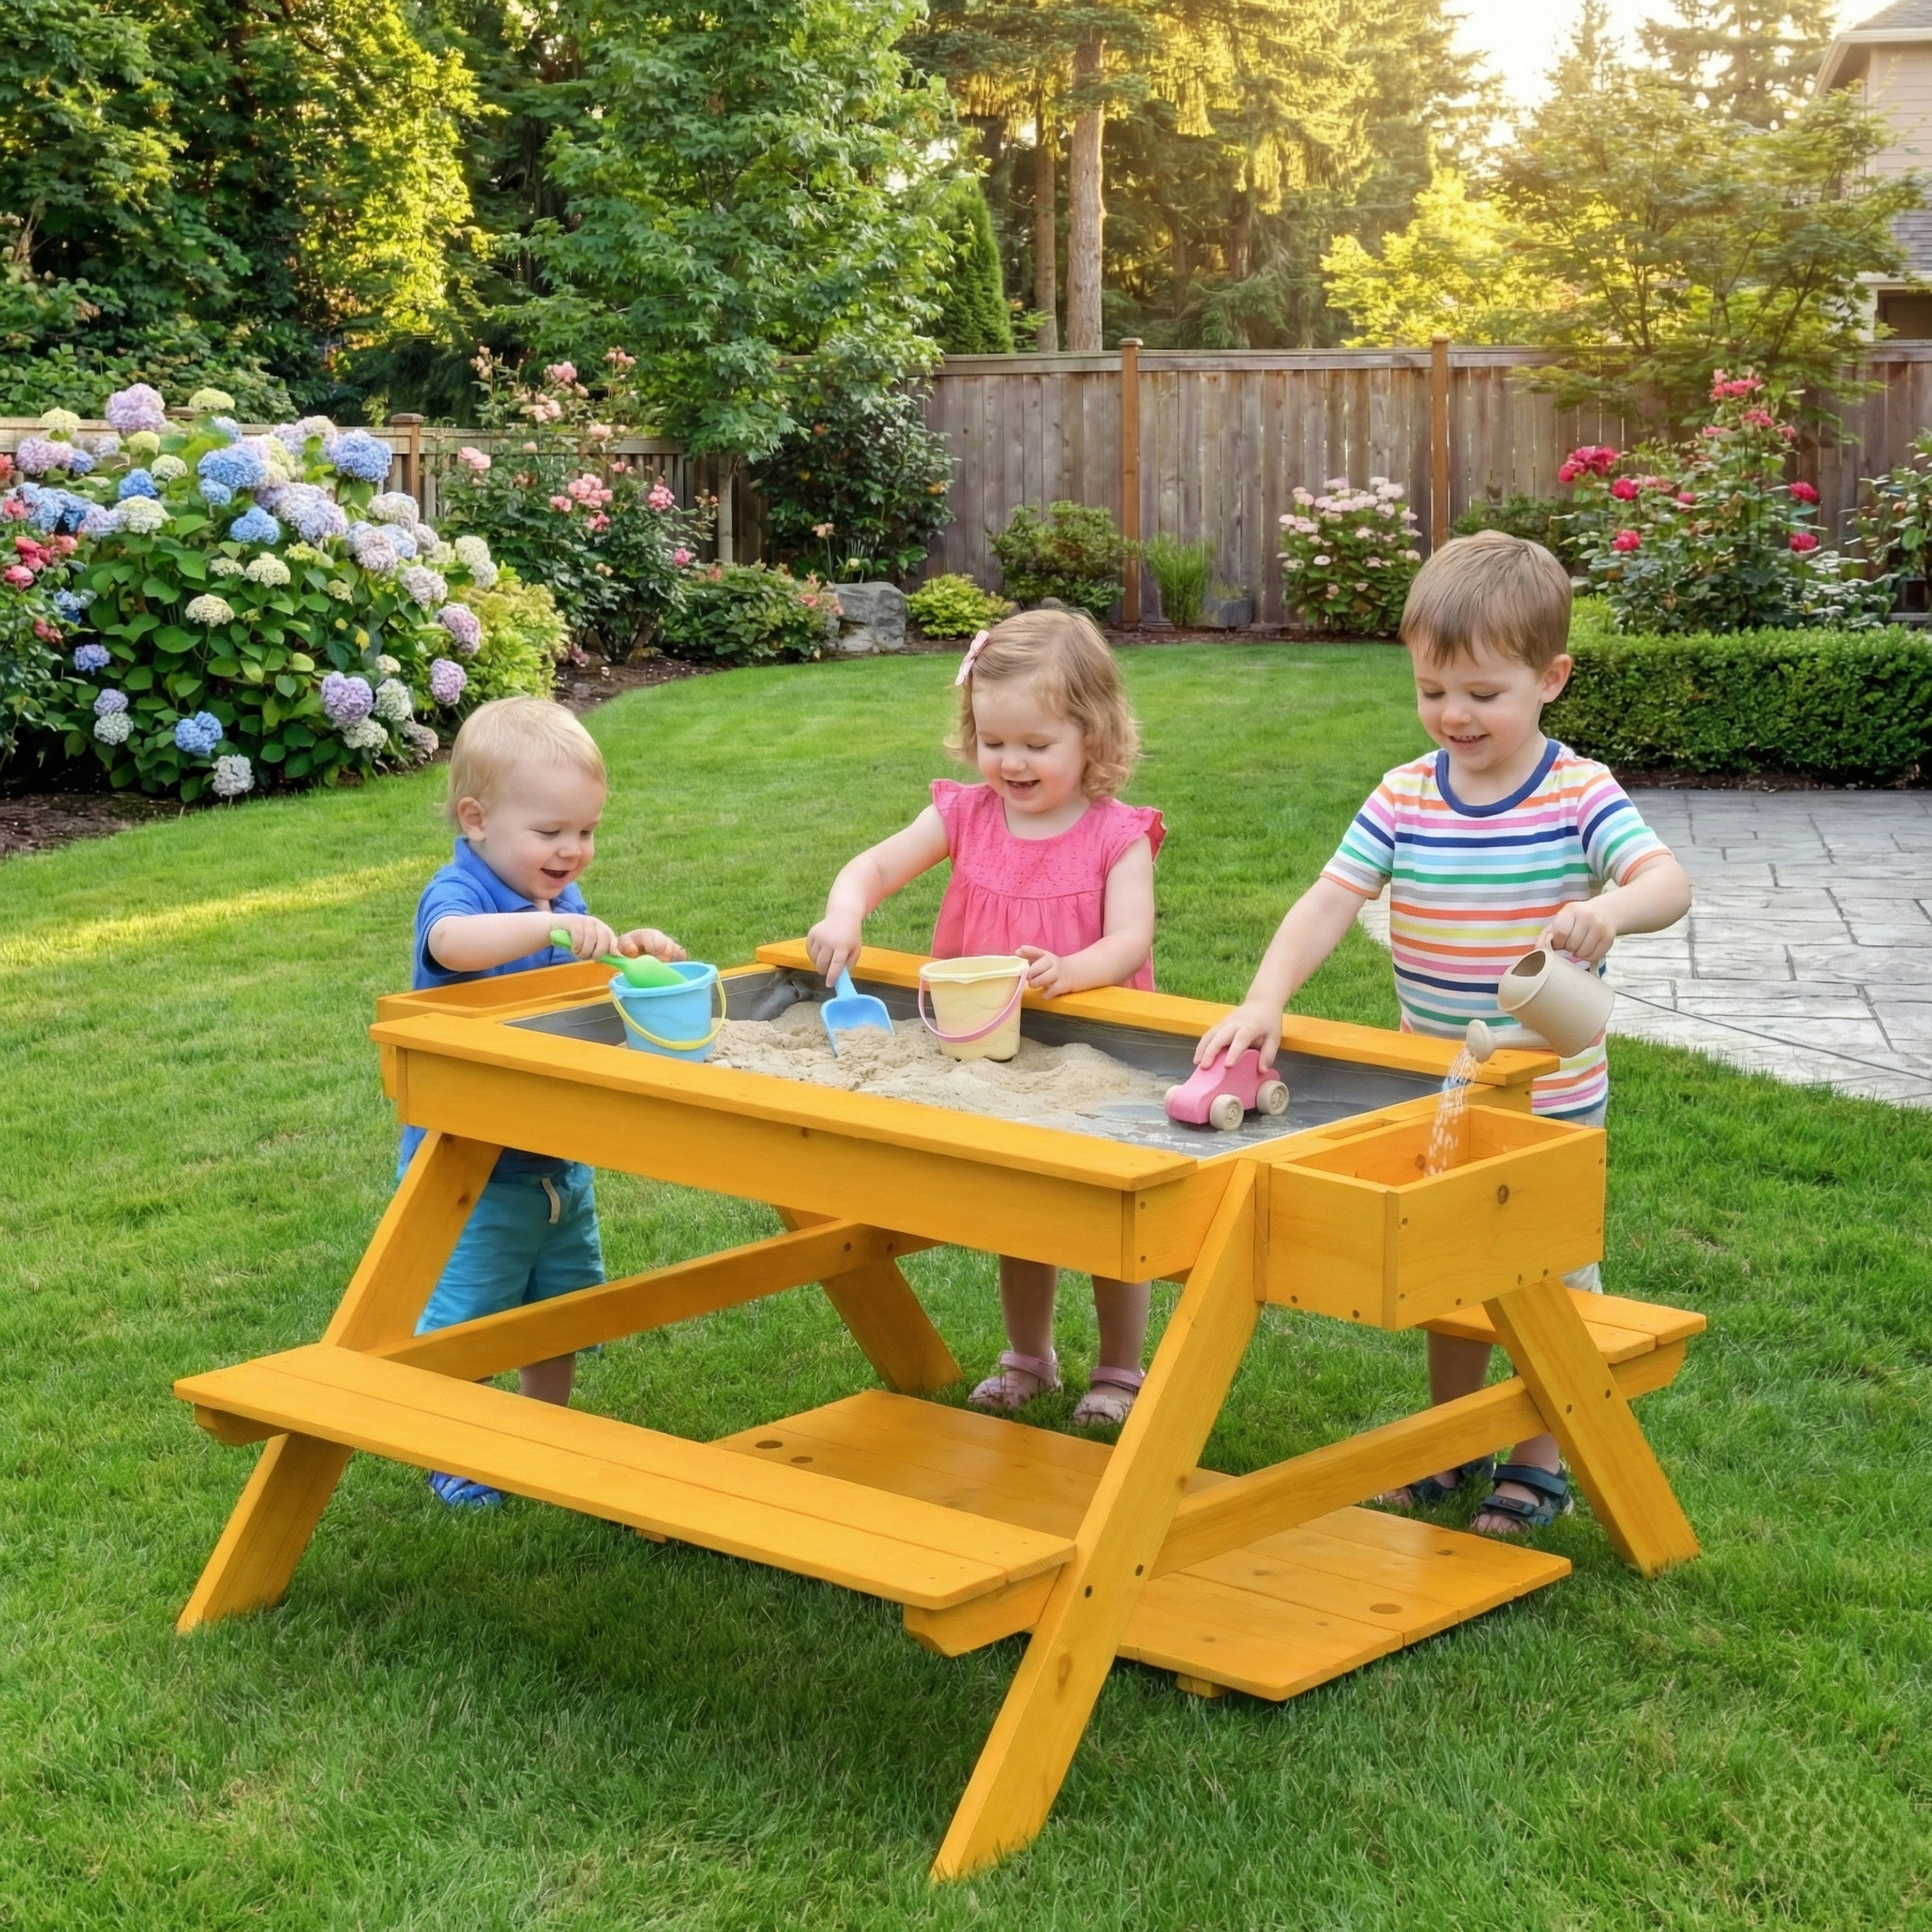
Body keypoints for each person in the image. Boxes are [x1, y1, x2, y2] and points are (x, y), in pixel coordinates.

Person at [1195, 531, 1691, 1534]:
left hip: (1549, 1101)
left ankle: (1537, 1458)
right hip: (1444, 1086)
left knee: (1545, 1282)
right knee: (1447, 1268)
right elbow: (1328, 902)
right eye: (1431, 690)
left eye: (1481, 692)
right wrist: (1265, 997)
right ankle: (1452, 1438)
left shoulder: (1577, 792)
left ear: (1550, 679)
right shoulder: (1405, 793)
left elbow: (1666, 881)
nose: (1453, 714)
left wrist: (1610, 910)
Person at [808, 610, 1164, 1426]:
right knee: (1022, 1211)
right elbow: (874, 866)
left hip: (1092, 1051)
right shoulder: (966, 815)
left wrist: (1072, 970)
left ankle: (1119, 1369)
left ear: (1093, 736)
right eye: (994, 741)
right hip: (991, 1055)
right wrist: (845, 911)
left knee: (1112, 1217)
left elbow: (1131, 939)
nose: (1012, 762)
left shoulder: (1117, 835)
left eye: (1037, 744)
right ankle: (1029, 1358)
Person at [405, 696, 684, 1507]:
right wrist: (544, 928)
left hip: (553, 1152)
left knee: (557, 1308)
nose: (573, 850)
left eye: (586, 831)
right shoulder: (461, 892)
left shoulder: (555, 900)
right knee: (468, 1317)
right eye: (552, 831)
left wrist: (631, 951)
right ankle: (454, 1453)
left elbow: (582, 975)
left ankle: (543, 1433)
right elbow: (451, 946)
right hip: (472, 1167)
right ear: (477, 820)